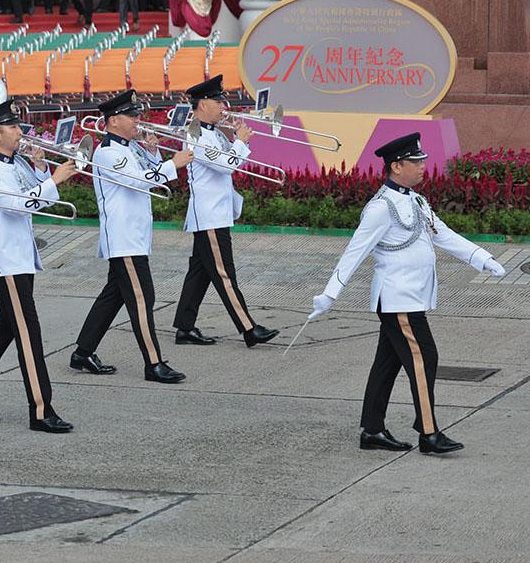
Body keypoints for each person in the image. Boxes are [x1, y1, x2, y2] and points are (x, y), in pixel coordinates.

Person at [310, 133, 506, 455]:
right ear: (396, 166)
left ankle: (372, 430)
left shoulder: (415, 200)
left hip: (412, 297)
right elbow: (354, 252)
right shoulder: (380, 208)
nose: (422, 167)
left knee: (386, 364)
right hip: (398, 299)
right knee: (424, 357)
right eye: (416, 162)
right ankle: (428, 433)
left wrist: (481, 258)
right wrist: (330, 294)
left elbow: (442, 234)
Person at [0, 100, 75, 433]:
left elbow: (43, 201)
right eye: (14, 128)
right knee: (28, 336)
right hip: (7, 264)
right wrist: (56, 179)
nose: (21, 132)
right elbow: (17, 207)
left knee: (4, 331)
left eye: (19, 127)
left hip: (21, 260)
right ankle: (40, 409)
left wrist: (42, 170)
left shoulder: (15, 162)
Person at [71, 91, 192, 383]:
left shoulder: (129, 147)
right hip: (123, 238)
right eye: (132, 116)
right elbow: (137, 180)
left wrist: (152, 152)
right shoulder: (108, 152)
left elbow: (146, 171)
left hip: (134, 235)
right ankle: (153, 363)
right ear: (114, 121)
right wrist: (173, 164)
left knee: (113, 297)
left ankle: (83, 352)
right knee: (141, 298)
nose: (138, 120)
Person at [172, 75, 279, 347]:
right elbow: (225, 165)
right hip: (209, 216)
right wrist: (241, 141)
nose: (223, 106)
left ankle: (185, 327)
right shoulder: (195, 133)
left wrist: (235, 139)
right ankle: (248, 328)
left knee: (200, 272)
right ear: (202, 104)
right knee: (223, 274)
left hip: (216, 213)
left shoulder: (214, 132)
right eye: (218, 101)